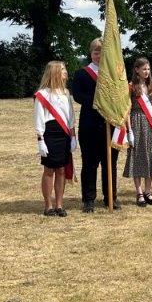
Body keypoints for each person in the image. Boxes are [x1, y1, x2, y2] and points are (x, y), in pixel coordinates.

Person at [71, 38, 118, 212]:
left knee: (110, 163)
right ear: (91, 53)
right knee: (90, 163)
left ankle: (110, 197)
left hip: (110, 123)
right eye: (97, 52)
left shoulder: (114, 74)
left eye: (102, 52)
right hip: (90, 124)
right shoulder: (82, 73)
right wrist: (98, 101)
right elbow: (78, 96)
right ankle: (89, 199)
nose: (99, 56)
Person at [34, 61, 77, 216]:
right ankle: (48, 206)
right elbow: (39, 118)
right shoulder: (42, 94)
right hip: (50, 133)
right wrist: (40, 140)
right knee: (49, 170)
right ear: (55, 72)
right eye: (63, 70)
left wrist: (73, 136)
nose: (66, 72)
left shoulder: (66, 93)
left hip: (64, 133)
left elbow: (70, 116)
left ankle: (59, 204)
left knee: (61, 170)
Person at [124, 57, 152, 206]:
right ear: (136, 70)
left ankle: (148, 191)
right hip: (136, 122)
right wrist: (129, 131)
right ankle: (139, 192)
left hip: (150, 123)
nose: (146, 72)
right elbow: (127, 110)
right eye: (144, 69)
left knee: (150, 156)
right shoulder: (131, 86)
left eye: (148, 69)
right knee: (138, 156)